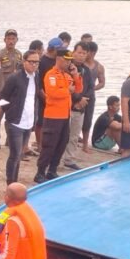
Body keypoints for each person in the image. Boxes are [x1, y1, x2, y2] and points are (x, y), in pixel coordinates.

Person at [35, 48, 82, 183]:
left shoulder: (66, 75)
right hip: (53, 116)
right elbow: (53, 93)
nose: (68, 63)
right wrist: (67, 90)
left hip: (65, 116)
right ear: (59, 59)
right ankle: (40, 172)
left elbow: (78, 90)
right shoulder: (51, 75)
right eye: (66, 60)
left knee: (61, 144)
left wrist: (75, 75)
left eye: (69, 61)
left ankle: (52, 170)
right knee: (49, 145)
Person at [0, 50, 41, 185]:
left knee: (20, 154)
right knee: (15, 154)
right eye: (31, 62)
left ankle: (15, 181)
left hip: (28, 122)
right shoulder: (15, 78)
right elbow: (3, 98)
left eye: (36, 62)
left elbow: (34, 98)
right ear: (24, 62)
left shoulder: (37, 77)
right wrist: (11, 113)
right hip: (15, 122)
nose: (34, 65)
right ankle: (10, 182)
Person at [62, 41, 93, 170]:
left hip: (81, 108)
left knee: (74, 136)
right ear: (73, 52)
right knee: (62, 135)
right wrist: (78, 99)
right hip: (67, 106)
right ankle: (57, 159)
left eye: (84, 53)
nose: (81, 56)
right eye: (79, 52)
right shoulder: (67, 68)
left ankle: (69, 159)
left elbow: (91, 87)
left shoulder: (86, 70)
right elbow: (66, 87)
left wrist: (84, 100)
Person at [0, 29, 23, 150]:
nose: (11, 41)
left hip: (14, 92)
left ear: (16, 40)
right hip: (2, 90)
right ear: (4, 40)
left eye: (13, 39)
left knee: (12, 117)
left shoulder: (19, 54)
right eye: (9, 39)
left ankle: (9, 141)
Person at [82, 40, 106, 151]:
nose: (85, 54)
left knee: (88, 120)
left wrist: (92, 88)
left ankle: (85, 144)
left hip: (90, 96)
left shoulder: (99, 67)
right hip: (78, 94)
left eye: (87, 52)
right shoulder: (80, 64)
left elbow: (102, 82)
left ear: (93, 53)